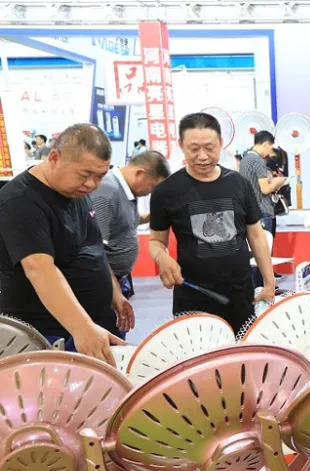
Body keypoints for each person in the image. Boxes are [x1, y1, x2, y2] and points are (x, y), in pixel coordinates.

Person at [0, 123, 129, 361]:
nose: (92, 184)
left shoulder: (75, 191)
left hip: (92, 325)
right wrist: (81, 327)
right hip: (50, 335)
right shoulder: (20, 201)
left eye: (100, 176)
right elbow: (40, 269)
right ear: (54, 158)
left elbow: (93, 248)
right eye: (85, 174)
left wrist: (114, 293)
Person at [148, 112, 276, 333]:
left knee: (242, 350)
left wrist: (269, 281)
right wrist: (162, 257)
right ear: (181, 145)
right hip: (193, 296)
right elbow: (155, 241)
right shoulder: (166, 191)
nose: (202, 156)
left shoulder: (239, 183)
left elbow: (256, 235)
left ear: (221, 144)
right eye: (194, 148)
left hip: (239, 293)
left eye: (209, 148)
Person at [90, 151, 170, 334]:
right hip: (103, 285)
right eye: (152, 186)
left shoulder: (124, 191)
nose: (151, 192)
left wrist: (157, 216)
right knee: (109, 339)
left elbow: (125, 222)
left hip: (115, 281)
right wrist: (115, 293)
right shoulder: (107, 191)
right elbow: (96, 251)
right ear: (140, 173)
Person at [239, 130, 287, 239]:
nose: (270, 152)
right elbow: (265, 189)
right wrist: (278, 182)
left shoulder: (244, 160)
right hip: (263, 211)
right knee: (266, 246)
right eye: (270, 147)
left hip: (250, 211)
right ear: (265, 144)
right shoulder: (258, 161)